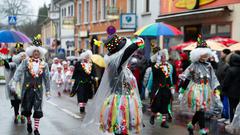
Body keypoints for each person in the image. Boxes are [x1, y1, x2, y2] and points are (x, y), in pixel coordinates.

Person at [81, 34, 144, 135]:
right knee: (122, 121)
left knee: (118, 123)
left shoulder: (112, 64)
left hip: (116, 98)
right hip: (122, 100)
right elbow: (128, 51)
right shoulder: (117, 63)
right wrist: (138, 42)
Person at [178, 35, 220, 135]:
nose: (205, 57)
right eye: (203, 55)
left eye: (206, 54)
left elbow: (213, 78)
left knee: (201, 109)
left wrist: (216, 90)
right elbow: (187, 78)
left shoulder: (209, 65)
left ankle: (191, 125)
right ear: (197, 55)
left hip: (206, 90)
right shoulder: (193, 65)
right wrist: (182, 91)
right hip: (196, 90)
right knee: (200, 109)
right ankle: (202, 129)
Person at [9, 34, 51, 135]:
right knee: (27, 108)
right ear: (31, 52)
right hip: (27, 89)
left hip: (39, 89)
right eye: (34, 51)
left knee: (38, 108)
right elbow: (18, 72)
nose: (36, 53)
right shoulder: (26, 62)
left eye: (38, 51)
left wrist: (48, 91)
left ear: (40, 53)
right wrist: (14, 82)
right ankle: (28, 122)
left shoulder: (44, 64)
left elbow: (47, 78)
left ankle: (36, 129)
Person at [148, 49, 175, 128]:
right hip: (158, 89)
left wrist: (171, 86)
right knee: (157, 104)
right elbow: (154, 73)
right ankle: (153, 116)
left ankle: (163, 122)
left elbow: (168, 77)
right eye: (162, 57)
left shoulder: (167, 66)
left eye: (164, 57)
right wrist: (158, 63)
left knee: (165, 105)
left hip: (166, 89)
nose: (164, 58)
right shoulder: (155, 66)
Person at [3, 45, 26, 124]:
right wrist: (5, 60)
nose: (22, 57)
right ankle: (16, 115)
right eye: (21, 55)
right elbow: (8, 66)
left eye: (23, 55)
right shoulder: (14, 64)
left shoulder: (27, 64)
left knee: (24, 102)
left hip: (25, 86)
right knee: (16, 101)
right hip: (16, 86)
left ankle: (22, 115)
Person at [70, 50, 96, 114]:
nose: (86, 59)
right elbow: (75, 73)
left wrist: (95, 77)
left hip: (88, 83)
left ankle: (83, 106)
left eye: (88, 57)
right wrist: (73, 80)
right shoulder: (78, 64)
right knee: (80, 96)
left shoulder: (91, 64)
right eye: (85, 57)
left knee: (86, 97)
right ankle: (81, 108)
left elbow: (93, 72)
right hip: (80, 82)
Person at [222, 53, 240, 123]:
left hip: (231, 93)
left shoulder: (230, 70)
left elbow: (226, 82)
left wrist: (223, 90)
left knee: (231, 108)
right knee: (238, 108)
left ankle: (232, 122)